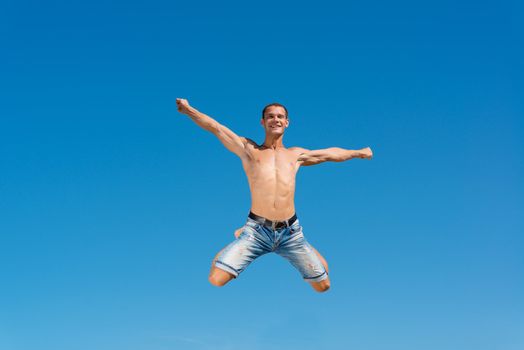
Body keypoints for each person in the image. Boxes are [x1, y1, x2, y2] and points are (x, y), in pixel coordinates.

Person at [176, 98, 373, 292]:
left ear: (287, 122)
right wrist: (188, 110)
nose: (276, 119)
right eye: (270, 116)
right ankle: (238, 239)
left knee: (323, 286)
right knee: (216, 279)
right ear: (263, 122)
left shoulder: (295, 155)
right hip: (256, 231)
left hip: (291, 233)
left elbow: (330, 154)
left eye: (280, 116)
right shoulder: (249, 150)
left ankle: (307, 249)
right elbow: (217, 128)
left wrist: (357, 152)